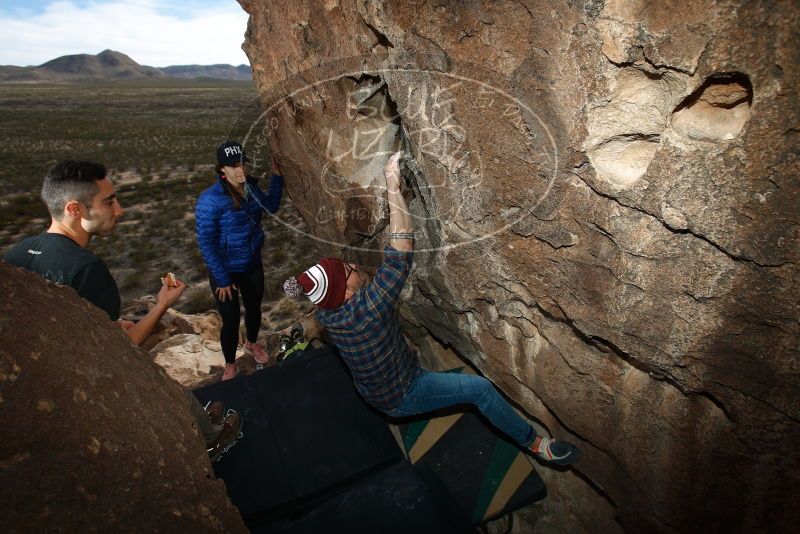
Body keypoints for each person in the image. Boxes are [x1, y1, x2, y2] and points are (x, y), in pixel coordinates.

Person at [284, 152, 580, 466]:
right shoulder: (367, 311)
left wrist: (302, 326)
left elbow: (318, 314)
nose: (355, 265)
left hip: (375, 389)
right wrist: (393, 188)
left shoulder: (330, 313)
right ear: (344, 294)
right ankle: (536, 445)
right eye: (349, 269)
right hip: (402, 394)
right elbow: (401, 250)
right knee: (478, 390)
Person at [3, 160, 242, 460]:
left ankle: (200, 421)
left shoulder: (17, 252)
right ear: (75, 209)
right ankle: (210, 438)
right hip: (81, 387)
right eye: (109, 202)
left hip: (37, 378)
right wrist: (162, 305)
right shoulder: (87, 270)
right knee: (154, 378)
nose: (120, 211)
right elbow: (123, 350)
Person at [195, 140, 284, 381]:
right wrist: (222, 279)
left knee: (254, 309)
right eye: (233, 165)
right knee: (231, 319)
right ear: (221, 169)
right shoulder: (210, 200)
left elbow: (272, 206)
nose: (240, 169)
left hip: (252, 264)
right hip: (225, 272)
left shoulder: (252, 189)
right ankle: (230, 364)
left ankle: (252, 344)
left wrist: (277, 176)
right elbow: (206, 243)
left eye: (242, 163)